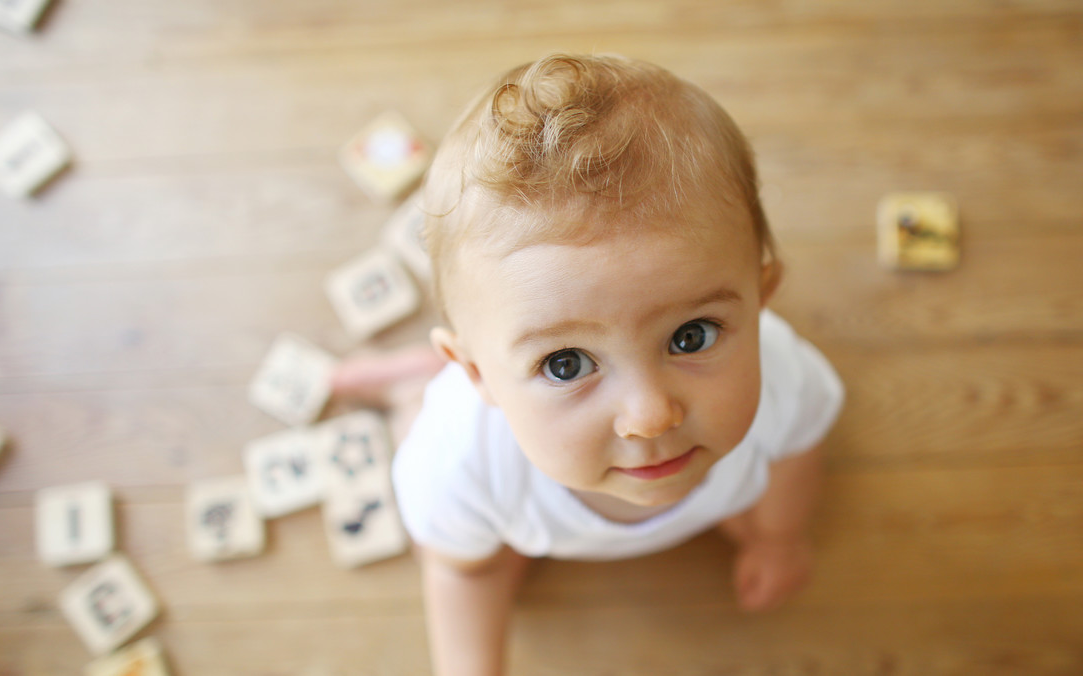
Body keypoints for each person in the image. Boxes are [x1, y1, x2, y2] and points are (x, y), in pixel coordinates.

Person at [332, 53, 844, 676]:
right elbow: (457, 570)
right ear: (478, 375)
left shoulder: (783, 374)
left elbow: (798, 449)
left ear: (762, 297)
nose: (650, 415)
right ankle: (412, 388)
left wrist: (778, 537)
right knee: (485, 553)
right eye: (566, 364)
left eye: (691, 336)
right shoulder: (460, 461)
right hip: (490, 465)